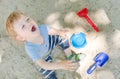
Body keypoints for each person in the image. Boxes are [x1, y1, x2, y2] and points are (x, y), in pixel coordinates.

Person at [6, 11, 83, 79]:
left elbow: (52, 31)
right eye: (23, 26)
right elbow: (43, 64)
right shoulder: (30, 48)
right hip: (44, 57)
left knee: (62, 37)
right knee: (46, 70)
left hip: (50, 43)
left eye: (27, 19)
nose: (28, 24)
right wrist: (61, 65)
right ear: (21, 37)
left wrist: (60, 32)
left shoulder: (41, 28)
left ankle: (69, 55)